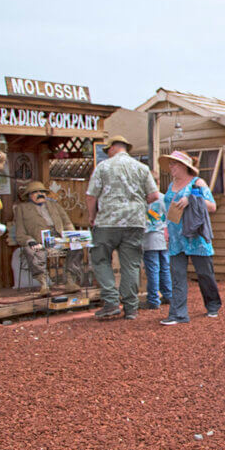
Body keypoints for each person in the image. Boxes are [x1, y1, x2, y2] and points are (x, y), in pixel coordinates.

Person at [86, 136, 160, 320]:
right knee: (131, 264)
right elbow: (154, 195)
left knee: (100, 259)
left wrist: (92, 216)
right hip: (134, 222)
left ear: (112, 148)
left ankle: (111, 302)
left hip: (107, 222)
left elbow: (91, 195)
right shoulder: (142, 168)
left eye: (107, 150)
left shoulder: (103, 167)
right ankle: (131, 308)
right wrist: (138, 204)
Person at [159, 151, 221, 325]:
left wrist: (191, 199)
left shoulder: (198, 183)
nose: (171, 167)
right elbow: (168, 210)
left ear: (184, 166)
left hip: (196, 236)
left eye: (174, 164)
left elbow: (212, 206)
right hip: (175, 237)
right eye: (170, 164)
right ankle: (178, 314)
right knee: (177, 275)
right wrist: (165, 227)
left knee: (205, 273)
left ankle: (213, 305)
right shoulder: (171, 185)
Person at [13, 181, 84, 296]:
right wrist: (30, 241)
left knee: (77, 247)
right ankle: (43, 284)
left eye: (42, 191)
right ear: (29, 195)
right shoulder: (22, 209)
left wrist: (72, 235)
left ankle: (70, 281)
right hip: (39, 240)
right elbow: (20, 233)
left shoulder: (54, 205)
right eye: (35, 192)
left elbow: (67, 223)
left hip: (59, 238)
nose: (40, 194)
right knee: (32, 250)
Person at [142, 172, 171, 310]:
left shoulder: (143, 200)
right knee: (165, 267)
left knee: (152, 269)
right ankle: (168, 295)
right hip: (163, 236)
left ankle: (153, 299)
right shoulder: (163, 198)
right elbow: (169, 217)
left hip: (149, 236)